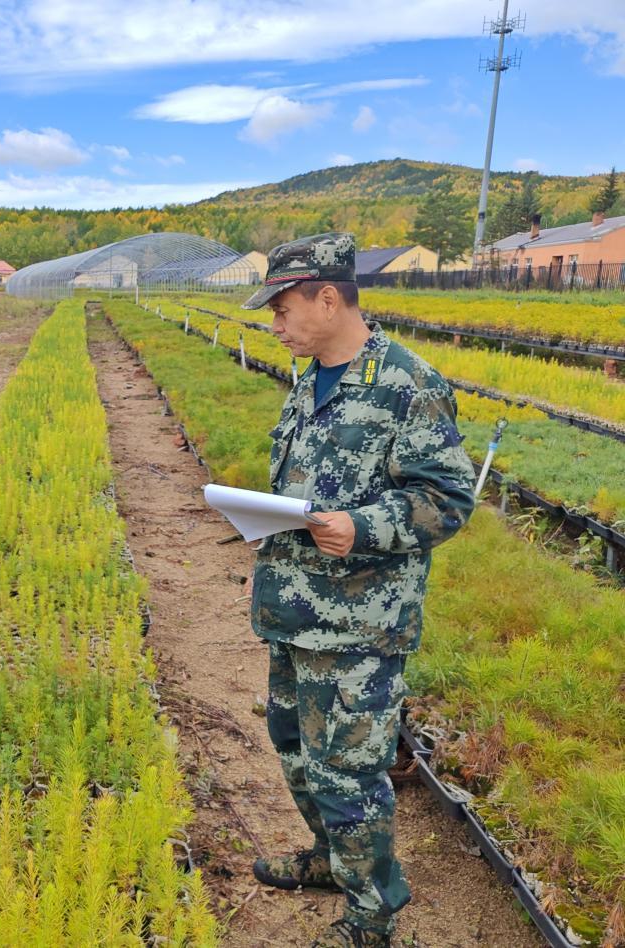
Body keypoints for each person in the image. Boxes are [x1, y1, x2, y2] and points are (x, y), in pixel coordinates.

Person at [241, 233, 476, 948]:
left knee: (348, 772)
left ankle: (371, 918)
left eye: (282, 309)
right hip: (294, 611)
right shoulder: (310, 379)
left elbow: (448, 498)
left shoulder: (407, 385)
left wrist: (365, 526)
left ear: (327, 299)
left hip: (359, 628)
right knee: (293, 747)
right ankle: (329, 859)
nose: (275, 325)